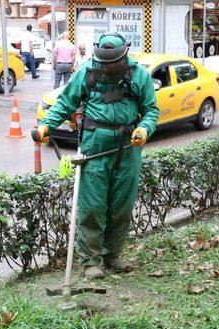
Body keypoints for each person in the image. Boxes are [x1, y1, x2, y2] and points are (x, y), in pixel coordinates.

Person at [35, 33, 159, 280]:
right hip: (95, 145)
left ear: (123, 56)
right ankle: (90, 261)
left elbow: (151, 110)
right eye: (103, 63)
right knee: (92, 206)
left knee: (121, 206)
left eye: (112, 63)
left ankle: (112, 255)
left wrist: (144, 129)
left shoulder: (139, 75)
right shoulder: (87, 72)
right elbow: (66, 103)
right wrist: (47, 124)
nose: (107, 68)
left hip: (127, 146)